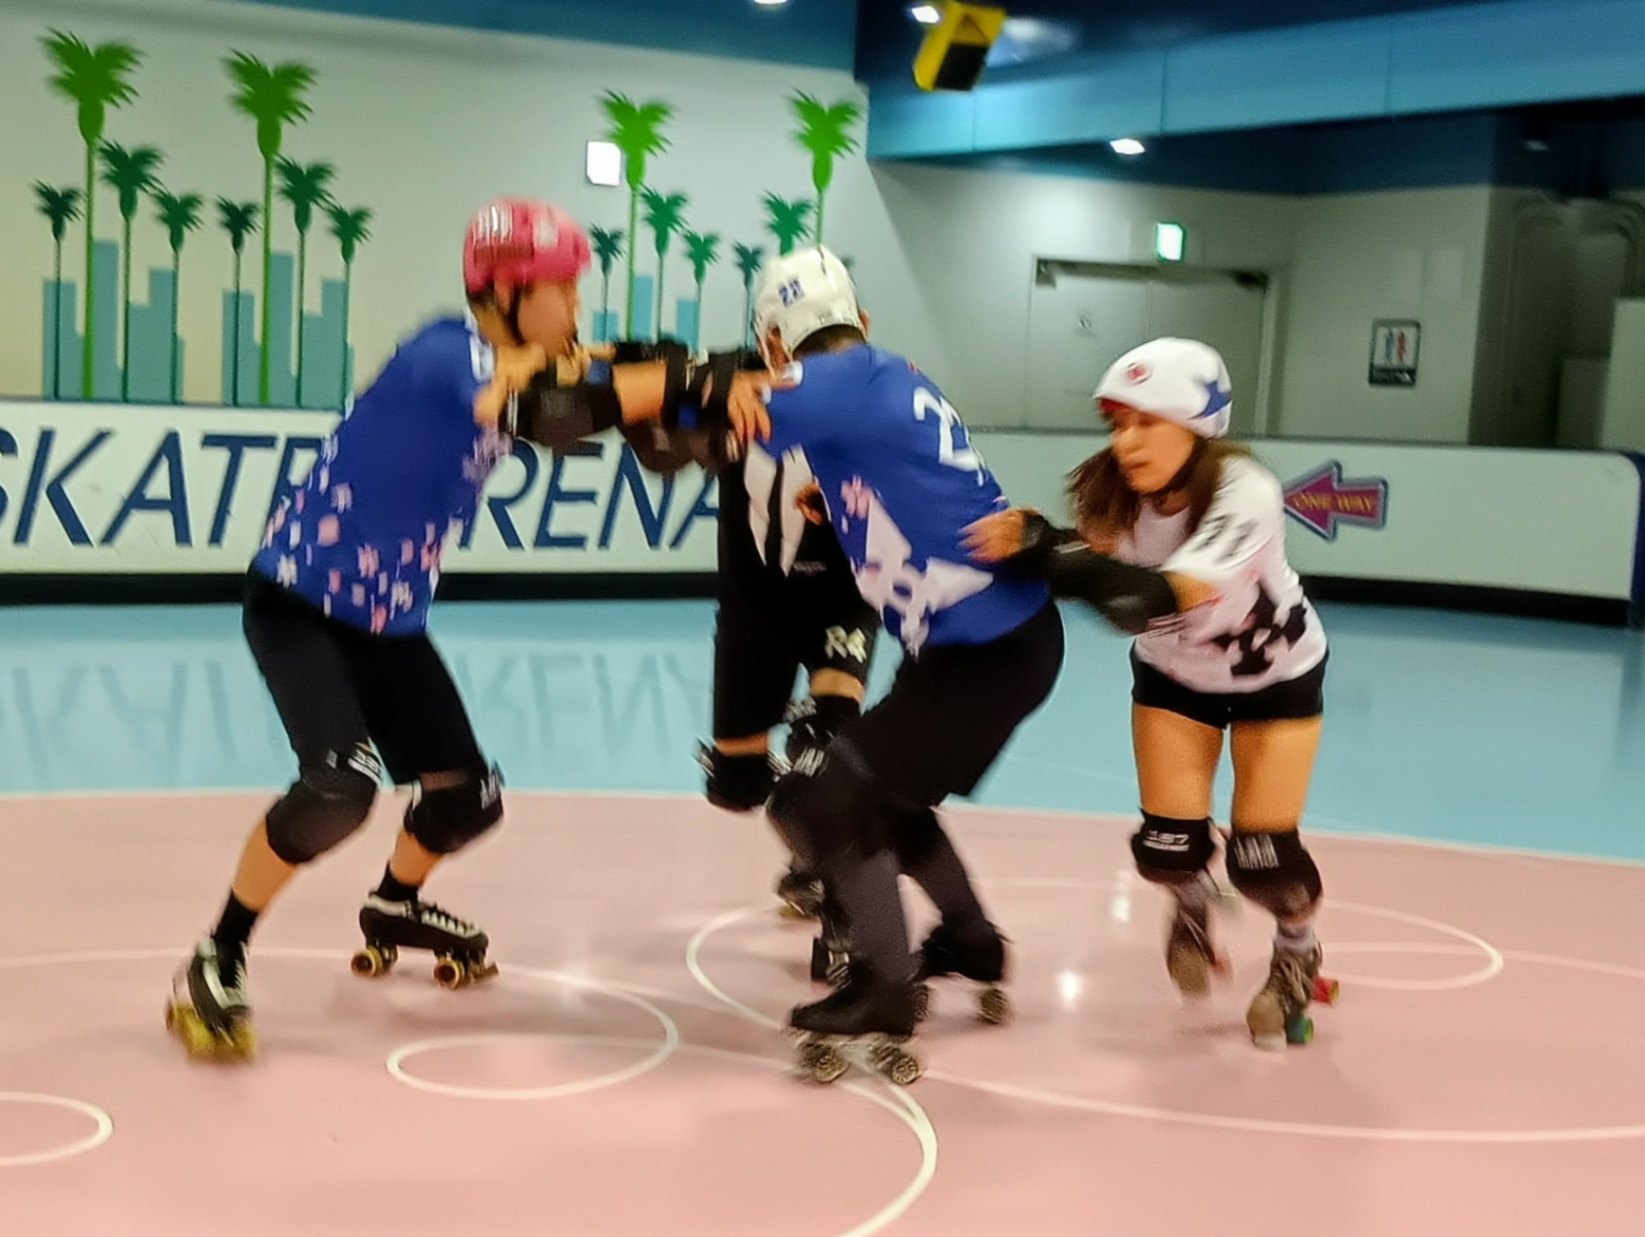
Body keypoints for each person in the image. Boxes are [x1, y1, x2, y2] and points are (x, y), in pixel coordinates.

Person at [166, 197, 767, 1060]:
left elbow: (588, 378)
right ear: (509, 290)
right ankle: (217, 951)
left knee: (467, 798)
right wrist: (688, 384)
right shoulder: (443, 353)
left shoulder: (530, 357)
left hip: (388, 622)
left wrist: (709, 384)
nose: (577, 304)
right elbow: (544, 411)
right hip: (299, 603)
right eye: (563, 288)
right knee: (338, 788)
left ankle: (393, 904)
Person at [679, 246, 1066, 1084]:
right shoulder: (885, 375)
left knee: (812, 796)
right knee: (886, 798)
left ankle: (882, 985)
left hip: (986, 651)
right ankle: (970, 939)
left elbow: (699, 419)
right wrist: (846, 497)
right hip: (997, 643)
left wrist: (605, 384)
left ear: (774, 343)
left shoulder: (833, 381)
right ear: (858, 319)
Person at [963, 337, 1332, 1050]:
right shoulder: (1118, 491)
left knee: (1264, 860)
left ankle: (1297, 948)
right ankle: (1192, 905)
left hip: (1275, 677)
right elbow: (1104, 558)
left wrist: (1046, 553)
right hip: (1175, 678)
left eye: (1146, 422)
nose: (1125, 442)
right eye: (1117, 423)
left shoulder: (1245, 490)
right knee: (1166, 851)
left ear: (1195, 427)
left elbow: (1145, 598)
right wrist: (1037, 538)